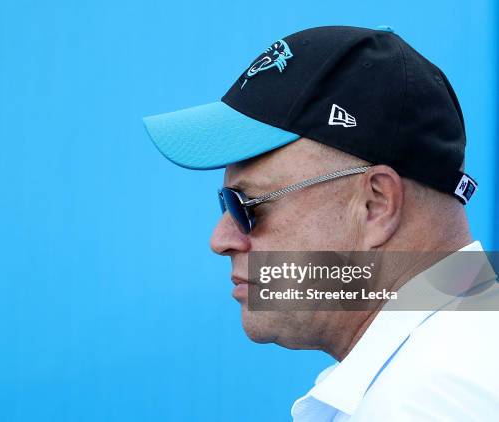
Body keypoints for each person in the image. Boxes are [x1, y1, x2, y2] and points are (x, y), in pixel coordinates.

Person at [142, 25, 499, 420]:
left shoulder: (427, 398)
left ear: (375, 205)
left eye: (247, 204)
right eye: (223, 202)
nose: (221, 238)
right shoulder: (455, 358)